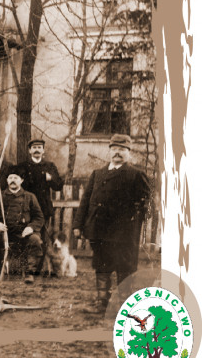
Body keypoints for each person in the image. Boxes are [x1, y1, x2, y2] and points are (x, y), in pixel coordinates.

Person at [73, 134, 151, 314]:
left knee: (125, 267)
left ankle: (125, 304)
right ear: (109, 151)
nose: (117, 153)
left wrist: (134, 219)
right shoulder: (97, 174)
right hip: (99, 230)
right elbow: (85, 201)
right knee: (101, 265)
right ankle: (102, 302)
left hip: (124, 233)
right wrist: (78, 225)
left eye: (122, 150)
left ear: (128, 152)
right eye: (114, 149)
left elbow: (146, 204)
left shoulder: (136, 175)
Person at [0, 164, 44, 282]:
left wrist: (31, 227)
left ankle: (30, 273)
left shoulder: (30, 197)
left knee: (35, 239)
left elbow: (39, 217)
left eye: (16, 178)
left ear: (22, 180)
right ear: (7, 180)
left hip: (23, 232)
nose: (13, 180)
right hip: (3, 231)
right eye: (10, 178)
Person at [18, 138, 64, 273]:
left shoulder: (50, 166)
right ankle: (26, 267)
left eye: (39, 147)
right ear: (29, 150)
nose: (37, 150)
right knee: (26, 235)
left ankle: (39, 268)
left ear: (43, 151)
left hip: (43, 208)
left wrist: (51, 178)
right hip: (27, 207)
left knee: (43, 238)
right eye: (34, 147)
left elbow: (59, 185)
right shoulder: (23, 166)